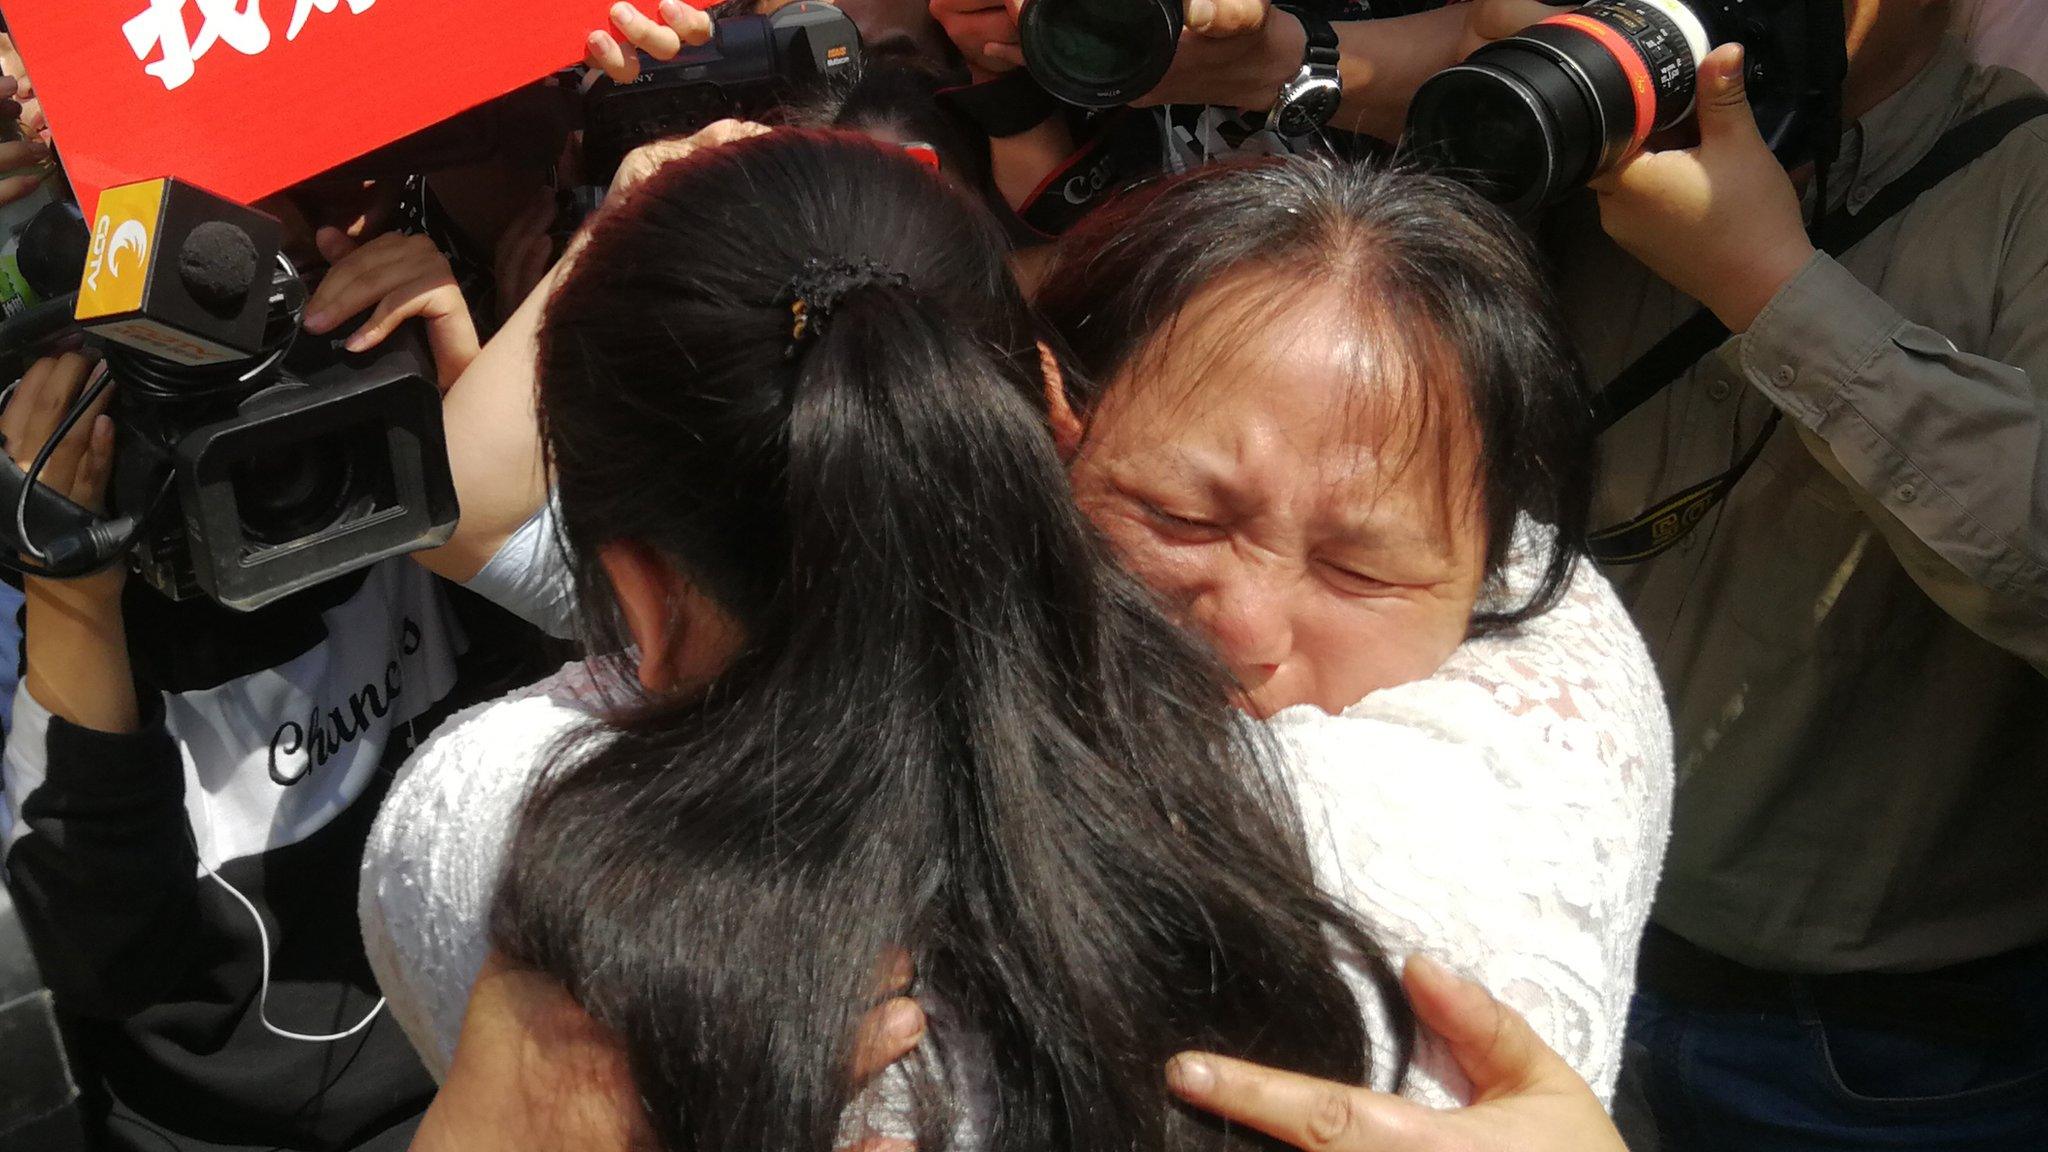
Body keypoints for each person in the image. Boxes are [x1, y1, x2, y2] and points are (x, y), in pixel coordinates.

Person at [372, 127, 1415, 1149]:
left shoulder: (490, 847)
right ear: (1053, 416)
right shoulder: (1397, 817)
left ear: (638, 599)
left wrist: (609, 237)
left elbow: (462, 501)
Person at [1031, 156, 1670, 1105]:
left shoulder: (1504, 764)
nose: (1244, 631)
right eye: (1181, 516)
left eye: (1359, 570)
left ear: (1495, 571)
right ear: (1049, 430)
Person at [0, 182, 551, 1150]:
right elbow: (104, 958)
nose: (259, 466)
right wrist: (71, 590)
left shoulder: (395, 489)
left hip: (498, 1080)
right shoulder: (71, 625)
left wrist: (458, 399)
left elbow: (571, 702)